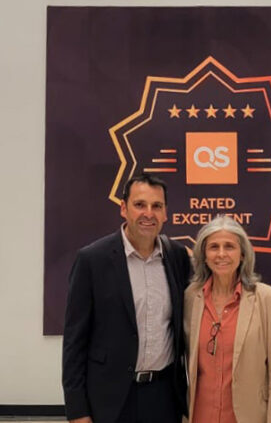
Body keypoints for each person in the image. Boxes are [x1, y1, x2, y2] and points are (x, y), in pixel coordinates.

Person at [62, 174, 192, 423]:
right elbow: (74, 342)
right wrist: (78, 411)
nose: (148, 214)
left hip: (164, 396)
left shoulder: (177, 257)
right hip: (110, 399)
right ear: (124, 208)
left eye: (157, 206)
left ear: (166, 213)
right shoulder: (92, 260)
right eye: (140, 204)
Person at [184, 216, 271, 423]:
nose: (221, 254)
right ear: (204, 255)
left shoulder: (267, 298)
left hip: (248, 416)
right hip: (200, 416)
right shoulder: (191, 297)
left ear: (242, 254)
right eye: (214, 247)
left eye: (229, 246)